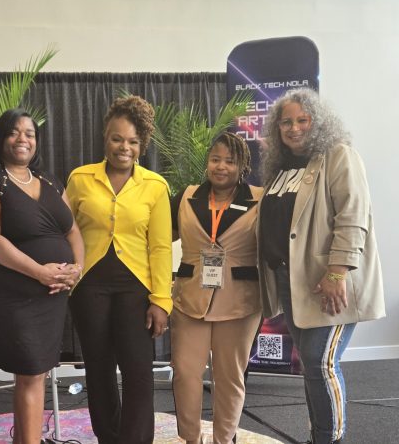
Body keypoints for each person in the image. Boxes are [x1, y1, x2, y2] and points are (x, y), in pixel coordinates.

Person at [258, 88, 385, 444]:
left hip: (329, 282)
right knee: (311, 365)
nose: (294, 128)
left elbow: (353, 217)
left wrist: (336, 272)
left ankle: (331, 438)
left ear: (318, 121)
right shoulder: (282, 168)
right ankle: (320, 435)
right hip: (291, 280)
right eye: (286, 122)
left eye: (302, 119)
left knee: (320, 361)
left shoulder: (339, 155)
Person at [0, 109, 84, 444]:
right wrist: (41, 272)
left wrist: (77, 270)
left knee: (37, 372)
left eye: (29, 133)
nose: (23, 139)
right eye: (14, 132)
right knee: (31, 370)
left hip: (52, 292)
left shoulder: (48, 180)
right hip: (13, 292)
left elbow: (73, 230)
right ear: (1, 138)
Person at [66, 95, 172, 444]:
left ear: (141, 145)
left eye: (132, 142)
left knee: (138, 372)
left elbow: (159, 247)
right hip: (89, 287)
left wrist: (161, 300)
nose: (123, 147)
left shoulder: (155, 186)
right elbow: (63, 231)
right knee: (98, 370)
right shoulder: (80, 179)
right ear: (105, 138)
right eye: (117, 138)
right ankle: (108, 438)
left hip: (136, 290)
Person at [170, 132, 262, 444]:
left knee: (229, 378)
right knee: (184, 373)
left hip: (240, 302)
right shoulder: (187, 196)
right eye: (215, 159)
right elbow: (157, 239)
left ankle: (224, 439)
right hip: (189, 298)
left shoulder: (260, 199)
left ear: (242, 165)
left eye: (229, 161)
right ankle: (191, 438)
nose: (220, 166)